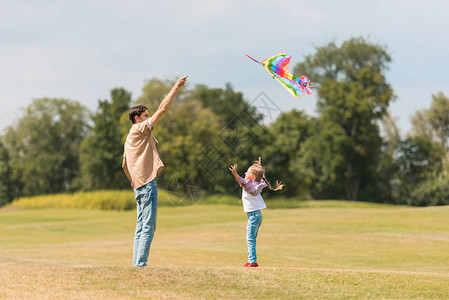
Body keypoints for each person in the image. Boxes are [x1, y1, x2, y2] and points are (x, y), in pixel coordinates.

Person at [122, 75, 188, 267]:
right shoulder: (138, 130)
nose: (149, 119)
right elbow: (163, 109)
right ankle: (140, 265)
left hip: (139, 187)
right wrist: (176, 86)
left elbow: (125, 164)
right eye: (145, 116)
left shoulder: (130, 137)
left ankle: (137, 264)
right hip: (147, 186)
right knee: (148, 228)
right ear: (137, 119)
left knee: (141, 227)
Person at [229, 157, 284, 268]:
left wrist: (235, 173)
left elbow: (241, 181)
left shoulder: (250, 186)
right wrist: (259, 167)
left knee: (250, 239)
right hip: (256, 215)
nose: (245, 173)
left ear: (253, 177)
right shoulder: (257, 184)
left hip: (253, 216)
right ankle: (251, 261)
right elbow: (261, 177)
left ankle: (253, 262)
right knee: (251, 238)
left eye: (247, 172)